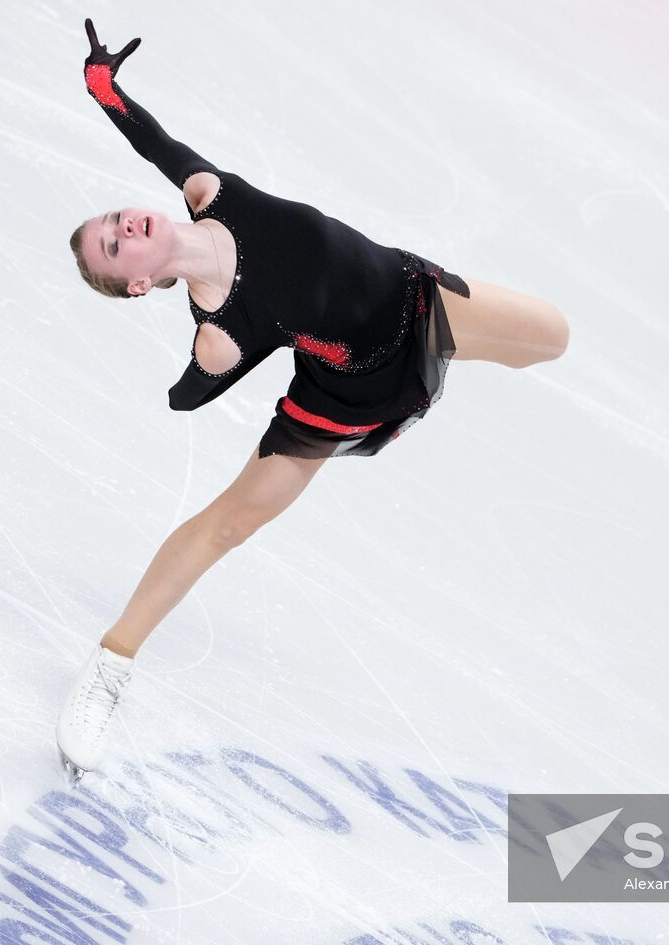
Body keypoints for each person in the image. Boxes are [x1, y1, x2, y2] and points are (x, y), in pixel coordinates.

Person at [57, 19, 569, 780]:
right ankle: (110, 665)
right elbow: (189, 394)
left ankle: (442, 359)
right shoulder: (219, 332)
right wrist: (197, 369)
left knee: (551, 339)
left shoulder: (210, 193)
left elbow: (152, 141)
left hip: (415, 301)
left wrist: (102, 85)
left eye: (112, 219)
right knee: (226, 525)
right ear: (138, 282)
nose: (121, 224)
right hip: (345, 390)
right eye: (113, 244)